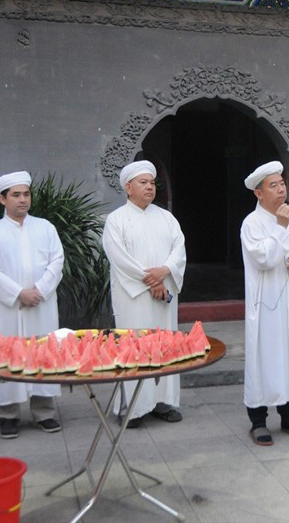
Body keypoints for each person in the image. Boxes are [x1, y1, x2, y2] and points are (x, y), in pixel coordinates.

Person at [0, 171, 64, 439]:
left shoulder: (45, 228)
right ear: (2, 199)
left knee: (43, 353)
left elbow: (57, 261)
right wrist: (18, 293)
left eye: (26, 194)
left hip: (41, 303)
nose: (23, 200)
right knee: (8, 355)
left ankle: (44, 412)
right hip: (8, 307)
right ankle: (8, 414)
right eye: (16, 195)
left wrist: (39, 290)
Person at [103, 160, 186, 429]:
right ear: (128, 187)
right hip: (135, 297)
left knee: (164, 346)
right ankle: (133, 408)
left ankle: (163, 401)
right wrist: (151, 281)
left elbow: (179, 249)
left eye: (151, 183)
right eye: (143, 183)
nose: (149, 187)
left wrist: (165, 271)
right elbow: (120, 259)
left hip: (163, 296)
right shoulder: (116, 220)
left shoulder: (166, 217)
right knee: (135, 346)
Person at [240, 161, 289, 446]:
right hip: (266, 306)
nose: (282, 189)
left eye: (282, 183)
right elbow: (264, 259)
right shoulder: (252, 223)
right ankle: (258, 420)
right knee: (264, 360)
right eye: (274, 185)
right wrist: (281, 229)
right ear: (259, 193)